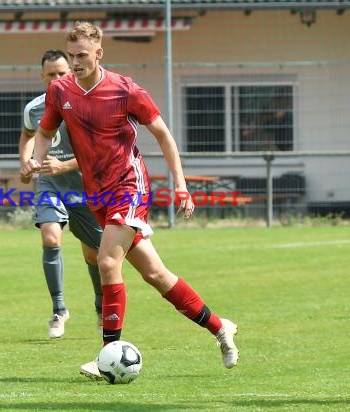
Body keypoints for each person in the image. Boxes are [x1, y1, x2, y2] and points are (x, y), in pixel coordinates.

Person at [23, 21, 239, 378]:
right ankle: (220, 327)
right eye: (72, 55)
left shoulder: (125, 90)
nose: (76, 62)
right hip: (98, 195)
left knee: (107, 262)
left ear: (99, 53)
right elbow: (44, 133)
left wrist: (181, 185)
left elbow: (164, 136)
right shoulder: (60, 91)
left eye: (82, 56)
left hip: (129, 186)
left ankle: (107, 352)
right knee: (155, 274)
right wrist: (35, 157)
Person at [19, 49, 103, 339]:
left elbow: (98, 154)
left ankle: (101, 306)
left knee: (93, 254)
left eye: (61, 73)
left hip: (84, 184)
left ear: (72, 72)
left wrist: (63, 164)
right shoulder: (34, 109)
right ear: (42, 77)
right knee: (50, 236)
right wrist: (26, 163)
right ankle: (59, 309)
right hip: (49, 183)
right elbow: (28, 137)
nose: (56, 78)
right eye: (51, 74)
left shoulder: (87, 106)